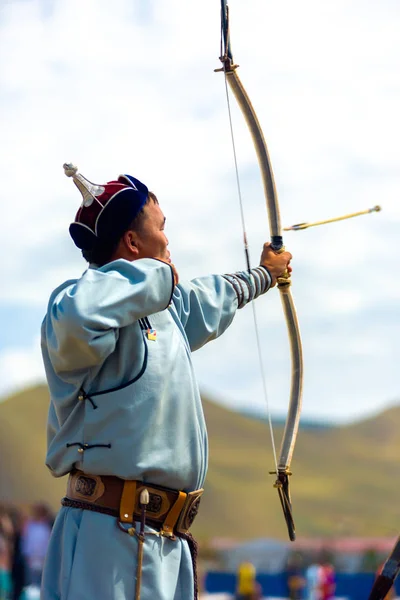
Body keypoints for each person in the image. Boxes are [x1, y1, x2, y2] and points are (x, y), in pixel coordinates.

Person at [40, 163, 292, 600]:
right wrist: (157, 274)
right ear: (133, 242)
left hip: (165, 540)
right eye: (161, 228)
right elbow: (80, 315)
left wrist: (265, 275)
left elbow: (209, 297)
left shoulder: (163, 311)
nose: (169, 241)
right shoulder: (76, 303)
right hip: (110, 539)